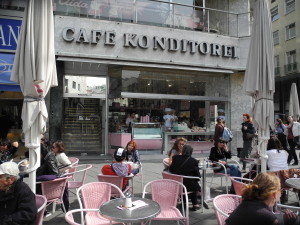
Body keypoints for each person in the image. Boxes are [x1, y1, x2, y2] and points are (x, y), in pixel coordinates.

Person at [170, 144, 201, 211]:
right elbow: (197, 175)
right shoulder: (193, 161)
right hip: (187, 186)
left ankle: (184, 202)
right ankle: (195, 203)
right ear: (191, 152)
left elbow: (171, 170)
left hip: (176, 184)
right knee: (194, 183)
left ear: (183, 150)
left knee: (189, 182)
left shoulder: (175, 158)